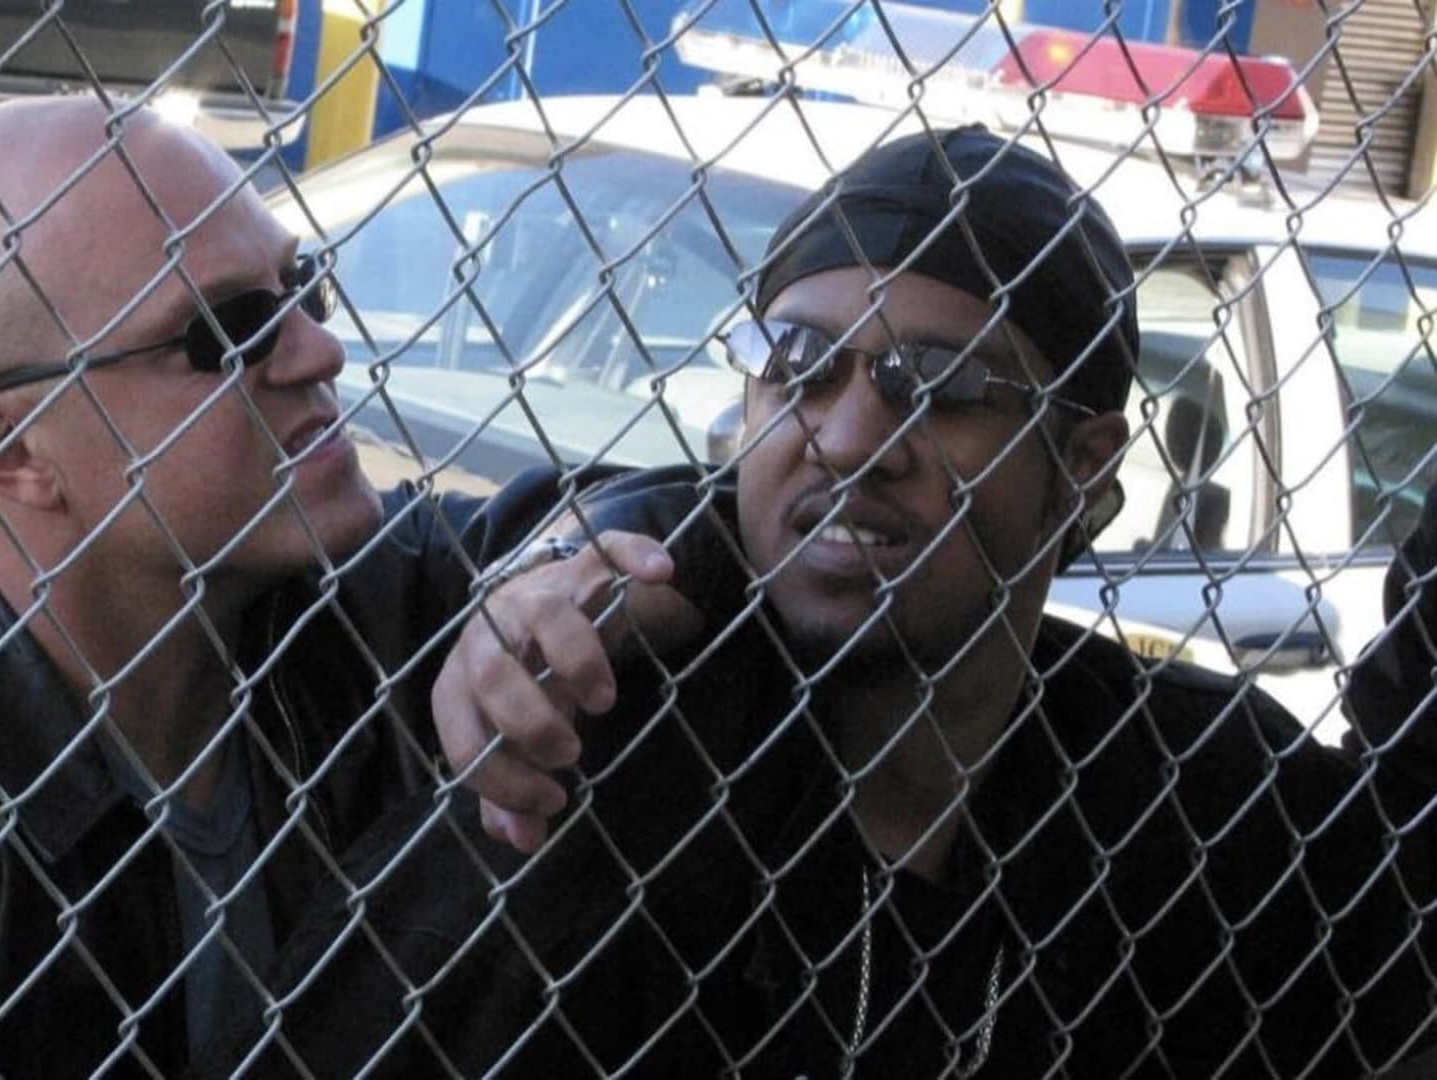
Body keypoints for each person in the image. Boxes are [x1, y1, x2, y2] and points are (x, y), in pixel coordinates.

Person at [192, 125, 1437, 1077]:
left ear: (1086, 462)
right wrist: (615, 539)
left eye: (940, 387)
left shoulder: (1191, 797)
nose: (848, 437)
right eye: (796, 364)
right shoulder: (600, 753)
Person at [0, 98, 694, 1076]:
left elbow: (673, 512)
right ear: (14, 450)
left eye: (301, 286)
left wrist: (545, 579)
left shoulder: (330, 596)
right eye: (227, 332)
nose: (317, 351)